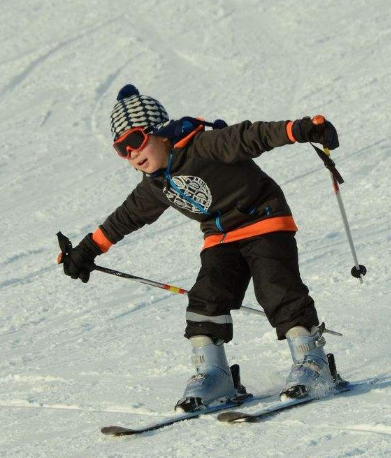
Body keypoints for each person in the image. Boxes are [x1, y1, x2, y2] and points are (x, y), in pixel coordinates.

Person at [58, 84, 340, 412]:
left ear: (159, 133)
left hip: (263, 219)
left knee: (276, 288)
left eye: (134, 140)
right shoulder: (155, 184)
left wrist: (302, 129)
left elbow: (253, 136)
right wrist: (85, 251)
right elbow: (125, 218)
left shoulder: (205, 145)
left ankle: (313, 361)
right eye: (122, 149)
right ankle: (214, 374)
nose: (131, 153)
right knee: (206, 297)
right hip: (220, 238)